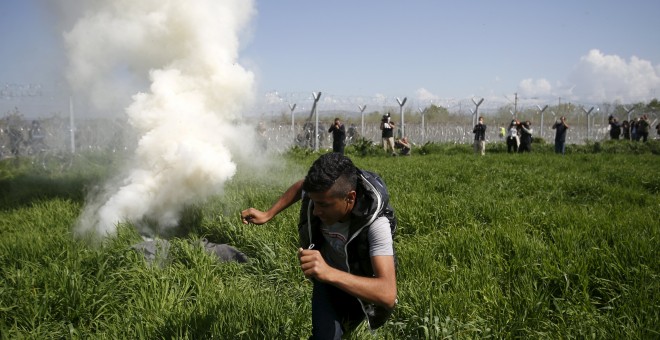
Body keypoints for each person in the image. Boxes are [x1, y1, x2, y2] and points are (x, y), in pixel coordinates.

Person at [240, 153, 397, 338]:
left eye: (323, 204)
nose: (315, 211)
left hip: (359, 288)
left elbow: (387, 293)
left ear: (350, 198)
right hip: (327, 283)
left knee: (344, 328)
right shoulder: (323, 192)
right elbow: (302, 186)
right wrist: (268, 214)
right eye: (314, 202)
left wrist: (328, 272)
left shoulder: (376, 225)